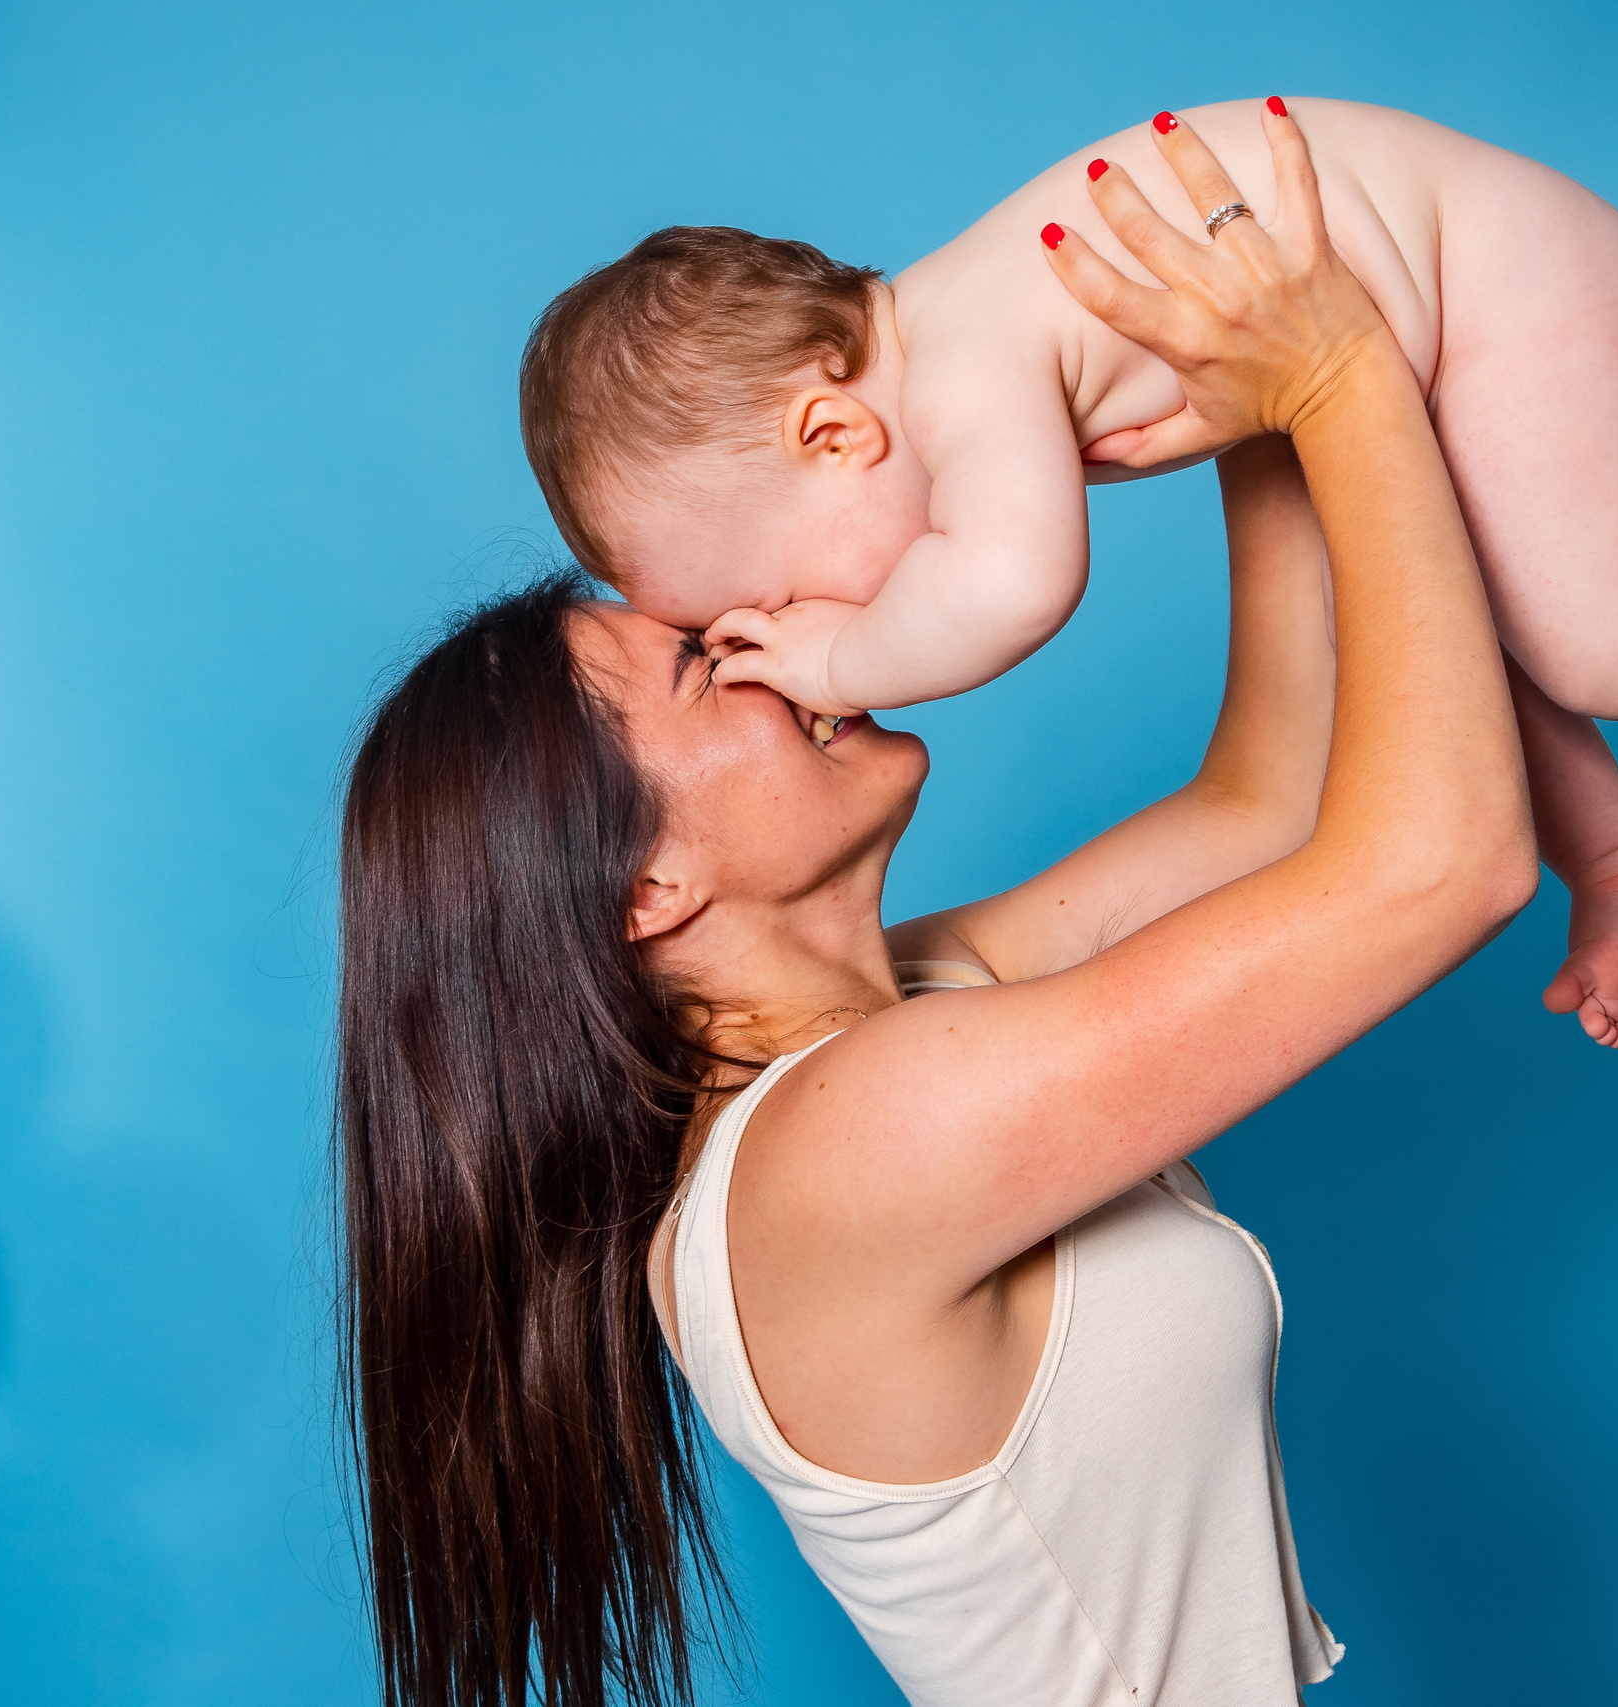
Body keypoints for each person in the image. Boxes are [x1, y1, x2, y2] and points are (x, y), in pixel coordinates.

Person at [337, 114, 1529, 1707]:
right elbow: (1445, 865)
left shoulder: (914, 1011)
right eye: (715, 656)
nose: (801, 624)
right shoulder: (851, 1142)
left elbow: (1269, 806)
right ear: (646, 886)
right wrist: (1339, 381)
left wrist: (1239, 382)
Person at [518, 97, 1618, 1048]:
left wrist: (837, 659)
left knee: (1608, 638)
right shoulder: (950, 353)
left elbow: (1019, 588)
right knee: (1452, 607)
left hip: (1510, 284)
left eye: (773, 601)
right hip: (1439, 308)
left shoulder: (960, 361)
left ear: (829, 433)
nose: (789, 642)